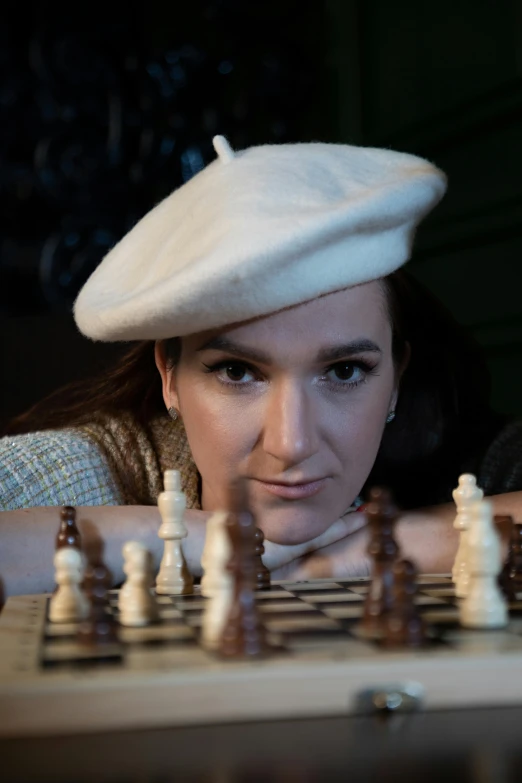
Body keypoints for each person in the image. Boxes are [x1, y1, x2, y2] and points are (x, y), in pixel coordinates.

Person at [1, 136, 521, 599]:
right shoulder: (84, 470)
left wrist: (394, 541)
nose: (291, 443)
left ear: (395, 383)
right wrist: (186, 539)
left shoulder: (448, 448)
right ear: (169, 377)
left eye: (344, 372)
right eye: (236, 372)